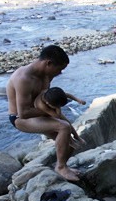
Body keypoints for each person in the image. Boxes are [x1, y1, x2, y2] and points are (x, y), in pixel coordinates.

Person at [7, 44, 82, 181]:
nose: (60, 73)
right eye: (59, 69)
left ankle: (63, 166)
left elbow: (46, 97)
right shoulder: (24, 78)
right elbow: (23, 113)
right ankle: (60, 167)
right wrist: (51, 113)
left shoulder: (46, 75)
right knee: (63, 127)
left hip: (39, 113)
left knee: (71, 142)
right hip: (19, 118)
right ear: (48, 63)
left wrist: (53, 110)